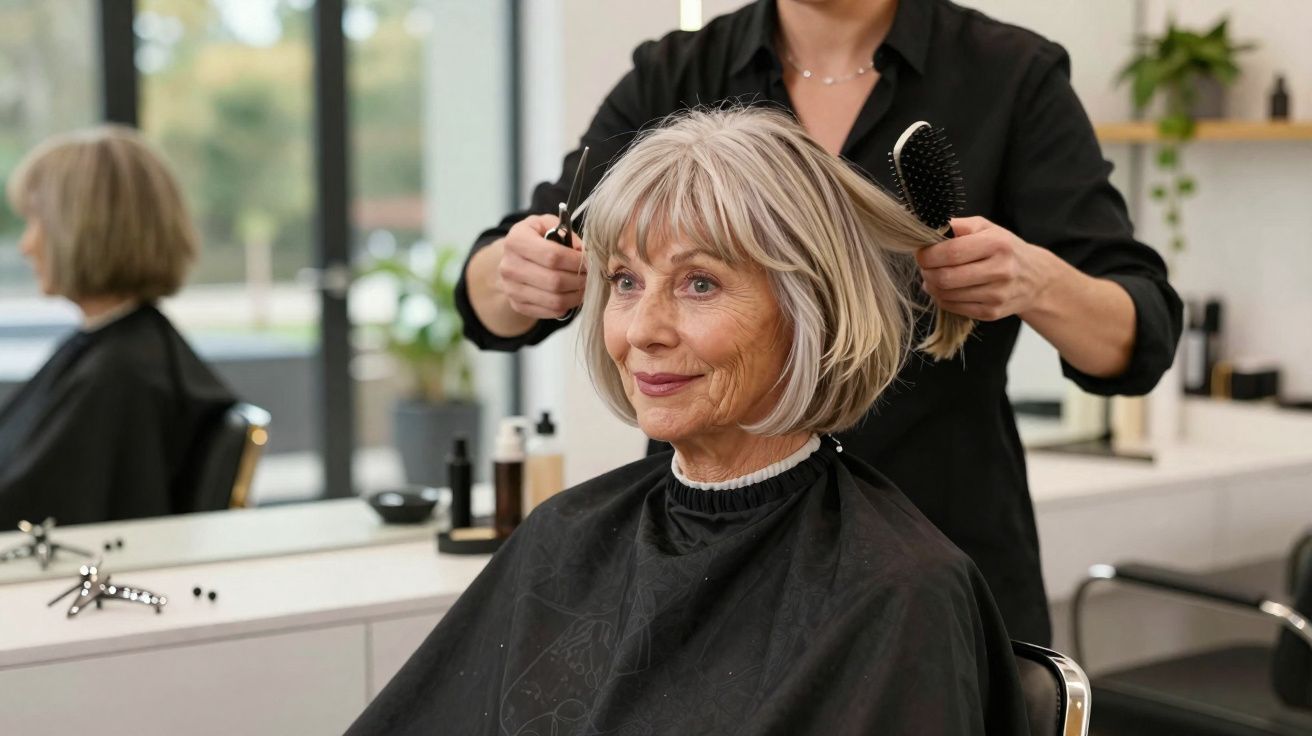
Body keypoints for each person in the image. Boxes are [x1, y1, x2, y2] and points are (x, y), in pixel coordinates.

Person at [455, 0, 1185, 645]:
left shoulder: (1008, 74)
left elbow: (1139, 336)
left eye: (701, 283)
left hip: (934, 543)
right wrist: (516, 272)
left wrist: (1037, 281)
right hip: (710, 556)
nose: (648, 325)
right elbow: (498, 292)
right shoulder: (680, 72)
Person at [348, 109, 1029, 735]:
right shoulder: (563, 536)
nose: (643, 330)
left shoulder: (899, 590)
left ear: (809, 311)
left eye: (699, 283)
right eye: (623, 281)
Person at [0, 126, 236, 528]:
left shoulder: (120, 373)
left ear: (86, 229)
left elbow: (34, 507)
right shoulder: (116, 348)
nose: (27, 245)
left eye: (37, 222)